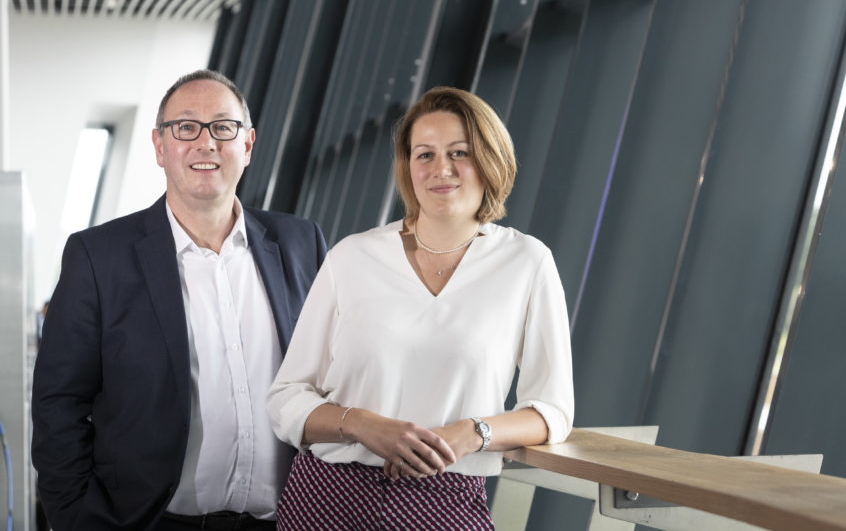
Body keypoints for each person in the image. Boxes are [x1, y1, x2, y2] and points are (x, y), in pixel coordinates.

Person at [266, 86, 574, 529]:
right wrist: (362, 424)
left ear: (491, 160)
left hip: (447, 498)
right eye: (424, 154)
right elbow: (287, 397)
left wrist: (471, 433)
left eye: (459, 152)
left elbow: (552, 410)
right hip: (328, 497)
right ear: (407, 168)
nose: (440, 169)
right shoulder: (351, 258)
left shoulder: (527, 263)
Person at [31, 69, 327, 531]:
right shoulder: (98, 256)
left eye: (223, 128)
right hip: (148, 522)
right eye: (186, 127)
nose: (205, 143)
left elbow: (334, 373)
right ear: (159, 146)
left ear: (247, 145)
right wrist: (77, 518)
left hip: (285, 521)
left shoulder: (301, 243)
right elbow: (59, 404)